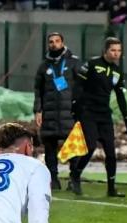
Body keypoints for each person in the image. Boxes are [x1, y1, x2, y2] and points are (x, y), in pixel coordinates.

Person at [70, 37, 127, 197]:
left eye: (119, 50)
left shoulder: (118, 71)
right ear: (105, 51)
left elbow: (120, 95)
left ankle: (111, 188)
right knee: (90, 147)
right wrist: (75, 106)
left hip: (104, 115)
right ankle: (75, 176)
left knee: (110, 153)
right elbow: (78, 85)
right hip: (88, 113)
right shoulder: (92, 64)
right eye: (113, 50)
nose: (116, 53)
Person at [33, 32, 81, 190]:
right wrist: (38, 110)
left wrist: (80, 106)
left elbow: (81, 86)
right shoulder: (43, 66)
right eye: (51, 42)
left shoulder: (73, 62)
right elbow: (38, 90)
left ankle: (73, 179)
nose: (54, 44)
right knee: (49, 147)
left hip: (69, 112)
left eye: (57, 41)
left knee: (73, 146)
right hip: (49, 112)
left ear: (63, 43)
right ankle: (53, 179)